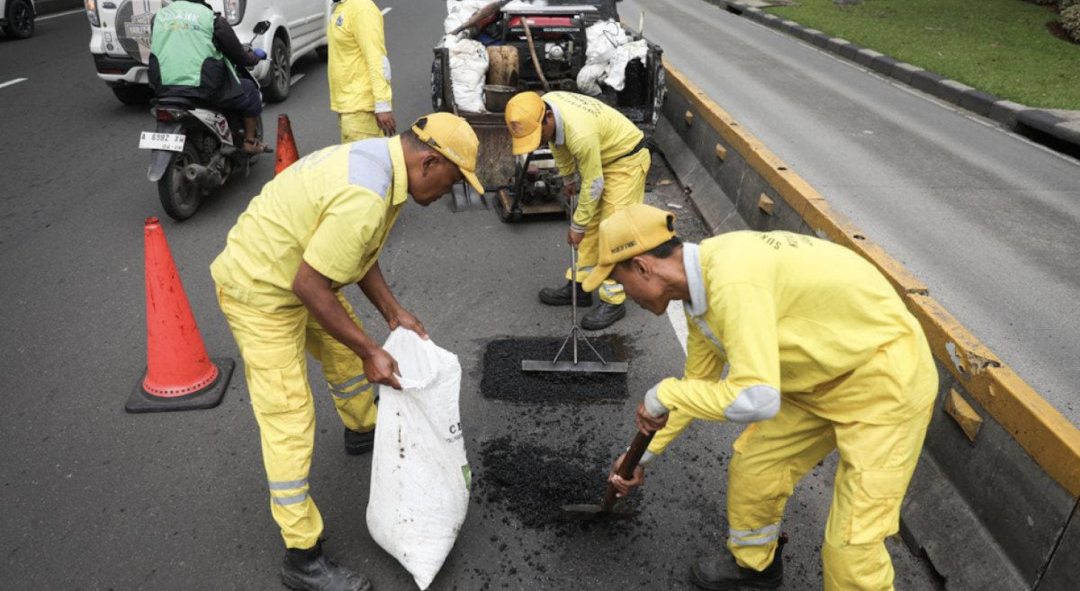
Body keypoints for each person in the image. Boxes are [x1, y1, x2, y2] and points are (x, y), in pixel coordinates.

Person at [591, 205, 938, 591]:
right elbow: (696, 387)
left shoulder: (733, 280)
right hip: (811, 382)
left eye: (620, 283)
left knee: (851, 545)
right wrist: (639, 456)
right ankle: (755, 566)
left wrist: (667, 392)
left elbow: (756, 399)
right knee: (756, 469)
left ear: (642, 267)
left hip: (882, 383)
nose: (625, 296)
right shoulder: (698, 299)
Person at [211, 114, 485, 591]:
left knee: (345, 355)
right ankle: (302, 555)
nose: (449, 194)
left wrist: (393, 314)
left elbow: (358, 250)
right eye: (453, 180)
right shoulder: (367, 191)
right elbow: (310, 284)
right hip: (261, 287)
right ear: (430, 161)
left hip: (299, 268)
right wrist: (370, 351)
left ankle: (363, 430)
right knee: (289, 416)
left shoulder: (384, 166)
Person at [504, 91, 650, 330]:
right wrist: (568, 177)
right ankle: (582, 286)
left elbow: (594, 183)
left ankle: (614, 299)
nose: (539, 142)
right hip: (601, 157)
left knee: (614, 231)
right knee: (592, 222)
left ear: (548, 117)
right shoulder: (545, 107)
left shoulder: (580, 132)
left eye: (537, 135)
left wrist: (577, 227)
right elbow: (557, 142)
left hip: (626, 160)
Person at [149, 0, 269, 153]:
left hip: (164, 89)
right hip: (203, 90)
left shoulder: (158, 17)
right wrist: (254, 57)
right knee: (250, 90)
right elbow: (239, 56)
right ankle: (249, 141)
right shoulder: (213, 20)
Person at [312, 0, 395, 143]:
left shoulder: (361, 8)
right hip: (348, 108)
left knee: (363, 171)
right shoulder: (342, 7)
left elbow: (376, 59)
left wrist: (383, 106)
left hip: (363, 110)